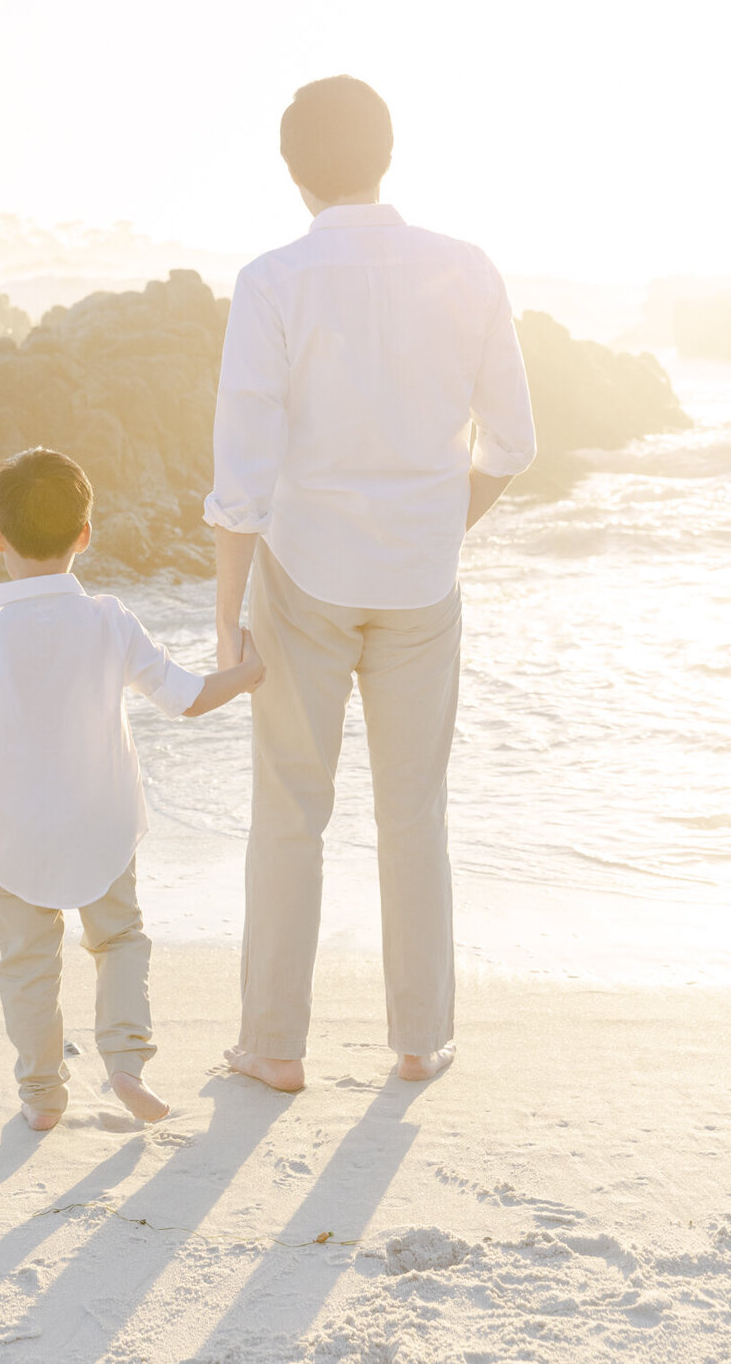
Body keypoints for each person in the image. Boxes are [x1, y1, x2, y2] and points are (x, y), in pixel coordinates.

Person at [205, 75, 537, 1091]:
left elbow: (241, 477)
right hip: (420, 584)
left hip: (303, 575)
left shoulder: (272, 280)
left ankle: (272, 1046)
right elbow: (515, 443)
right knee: (414, 813)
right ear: (387, 153)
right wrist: (434, 523)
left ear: (294, 172)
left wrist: (227, 616)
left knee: (290, 812)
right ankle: (418, 1038)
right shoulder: (470, 269)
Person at [0, 446, 264, 1131]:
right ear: (85, 534)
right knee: (120, 941)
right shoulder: (108, 618)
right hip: (101, 825)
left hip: (14, 835)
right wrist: (251, 672)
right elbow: (185, 698)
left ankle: (43, 1095)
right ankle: (126, 1062)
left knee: (27, 964)